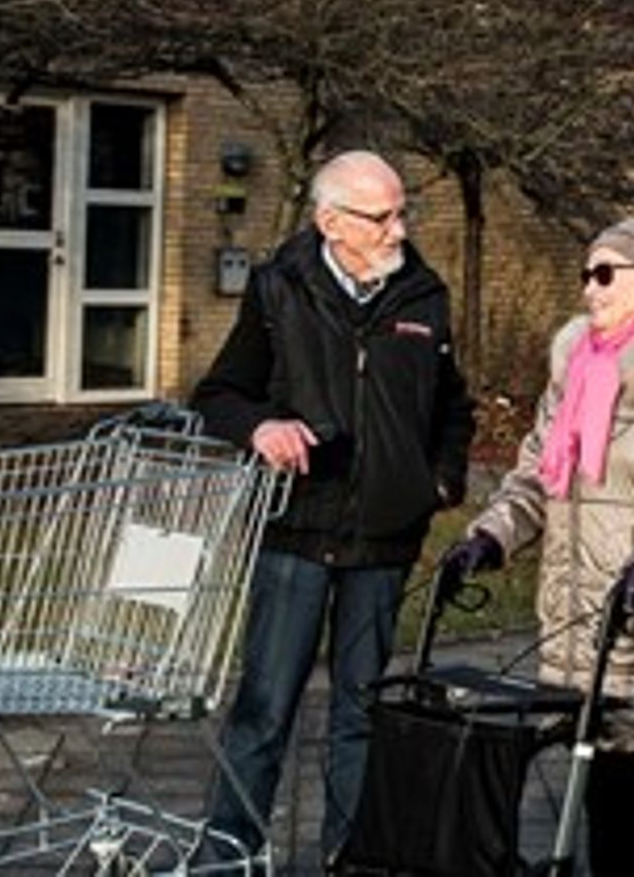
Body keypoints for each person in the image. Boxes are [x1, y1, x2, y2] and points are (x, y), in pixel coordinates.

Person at [193, 150, 474, 865]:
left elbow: (452, 406)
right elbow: (220, 394)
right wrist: (260, 427)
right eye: (383, 216)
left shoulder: (423, 295)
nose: (399, 229)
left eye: (402, 211)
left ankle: (351, 857)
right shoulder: (277, 288)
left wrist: (438, 480)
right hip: (297, 532)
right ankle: (228, 855)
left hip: (383, 540)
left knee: (363, 713)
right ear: (331, 221)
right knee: (263, 710)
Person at [440, 216, 634, 877]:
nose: (589, 289)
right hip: (581, 620)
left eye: (606, 273)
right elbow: (532, 478)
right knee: (600, 790)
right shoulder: (575, 370)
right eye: (586, 273)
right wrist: (488, 537)